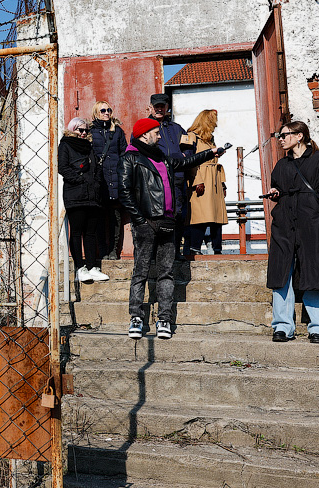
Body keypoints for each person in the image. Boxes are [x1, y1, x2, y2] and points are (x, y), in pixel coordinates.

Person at [119, 117, 226, 339]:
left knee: (166, 273)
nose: (160, 136)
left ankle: (164, 319)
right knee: (141, 272)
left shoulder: (163, 158)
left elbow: (184, 163)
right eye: (156, 133)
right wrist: (139, 220)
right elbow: (125, 192)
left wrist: (211, 153)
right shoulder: (131, 157)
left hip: (168, 222)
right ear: (144, 134)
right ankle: (136, 318)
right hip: (146, 223)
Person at [263, 121, 319, 344]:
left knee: (316, 270)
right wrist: (276, 193)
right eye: (279, 136)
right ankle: (282, 327)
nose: (280, 139)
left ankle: (318, 328)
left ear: (299, 136)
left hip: (313, 223)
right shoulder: (281, 165)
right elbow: (279, 188)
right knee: (281, 272)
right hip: (284, 223)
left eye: (284, 135)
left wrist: (317, 204)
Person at [59, 117, 110, 284]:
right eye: (80, 130)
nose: (83, 133)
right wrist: (79, 180)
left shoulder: (89, 147)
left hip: (92, 195)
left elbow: (96, 167)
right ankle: (80, 268)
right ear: (72, 130)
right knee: (76, 231)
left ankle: (92, 267)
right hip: (75, 195)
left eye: (85, 131)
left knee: (90, 232)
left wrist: (95, 184)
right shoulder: (65, 145)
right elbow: (63, 167)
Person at [146, 93, 193, 258]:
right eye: (156, 106)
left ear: (167, 108)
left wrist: (185, 155)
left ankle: (174, 250)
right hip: (155, 179)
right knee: (156, 215)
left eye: (162, 106)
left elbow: (189, 145)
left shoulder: (176, 128)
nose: (159, 109)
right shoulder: (144, 127)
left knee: (178, 215)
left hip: (177, 177)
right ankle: (155, 252)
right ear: (150, 107)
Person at [184, 110, 227, 255]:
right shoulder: (192, 137)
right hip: (201, 178)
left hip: (214, 180)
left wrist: (222, 184)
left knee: (217, 216)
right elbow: (189, 162)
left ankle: (217, 249)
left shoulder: (210, 139)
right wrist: (197, 181)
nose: (215, 124)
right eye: (212, 121)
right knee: (200, 215)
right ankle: (194, 248)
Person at [90, 101, 128, 260]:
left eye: (109, 110)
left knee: (115, 219)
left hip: (116, 181)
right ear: (96, 113)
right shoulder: (91, 132)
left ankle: (113, 252)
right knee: (99, 219)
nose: (107, 113)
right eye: (103, 110)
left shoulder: (117, 131)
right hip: (100, 182)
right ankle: (103, 251)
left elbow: (124, 155)